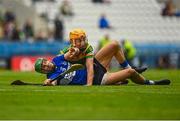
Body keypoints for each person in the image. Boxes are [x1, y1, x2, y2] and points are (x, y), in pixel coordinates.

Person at [34, 41, 171, 86]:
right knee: (131, 74)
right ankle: (151, 83)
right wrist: (48, 83)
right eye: (44, 67)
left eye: (45, 62)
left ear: (47, 60)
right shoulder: (52, 78)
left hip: (95, 65)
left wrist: (73, 51)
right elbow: (51, 83)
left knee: (114, 45)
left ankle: (128, 68)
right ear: (44, 72)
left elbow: (67, 55)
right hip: (98, 79)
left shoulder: (57, 59)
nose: (46, 65)